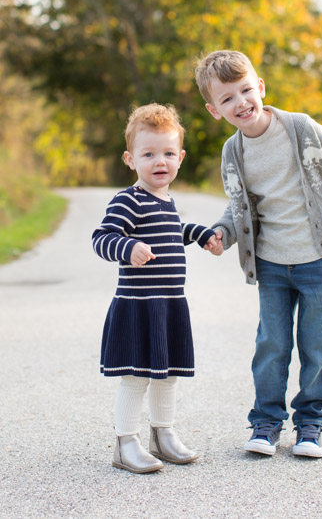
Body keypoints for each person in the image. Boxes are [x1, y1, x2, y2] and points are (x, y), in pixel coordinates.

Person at [195, 50, 322, 458]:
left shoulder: (301, 129)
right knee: (271, 343)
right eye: (227, 99)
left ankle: (310, 425)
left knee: (317, 343)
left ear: (260, 87)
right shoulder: (232, 153)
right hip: (271, 263)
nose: (240, 102)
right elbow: (237, 207)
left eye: (244, 90)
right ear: (214, 110)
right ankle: (266, 424)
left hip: (319, 259)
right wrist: (222, 233)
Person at [92, 103, 223, 474]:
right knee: (136, 377)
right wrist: (127, 247)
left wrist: (197, 234)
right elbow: (102, 237)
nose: (159, 161)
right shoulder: (127, 200)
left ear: (180, 157)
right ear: (130, 159)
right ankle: (126, 443)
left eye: (167, 153)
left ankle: (163, 435)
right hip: (138, 304)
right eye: (148, 154)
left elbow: (170, 233)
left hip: (168, 304)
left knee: (168, 375)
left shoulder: (166, 201)